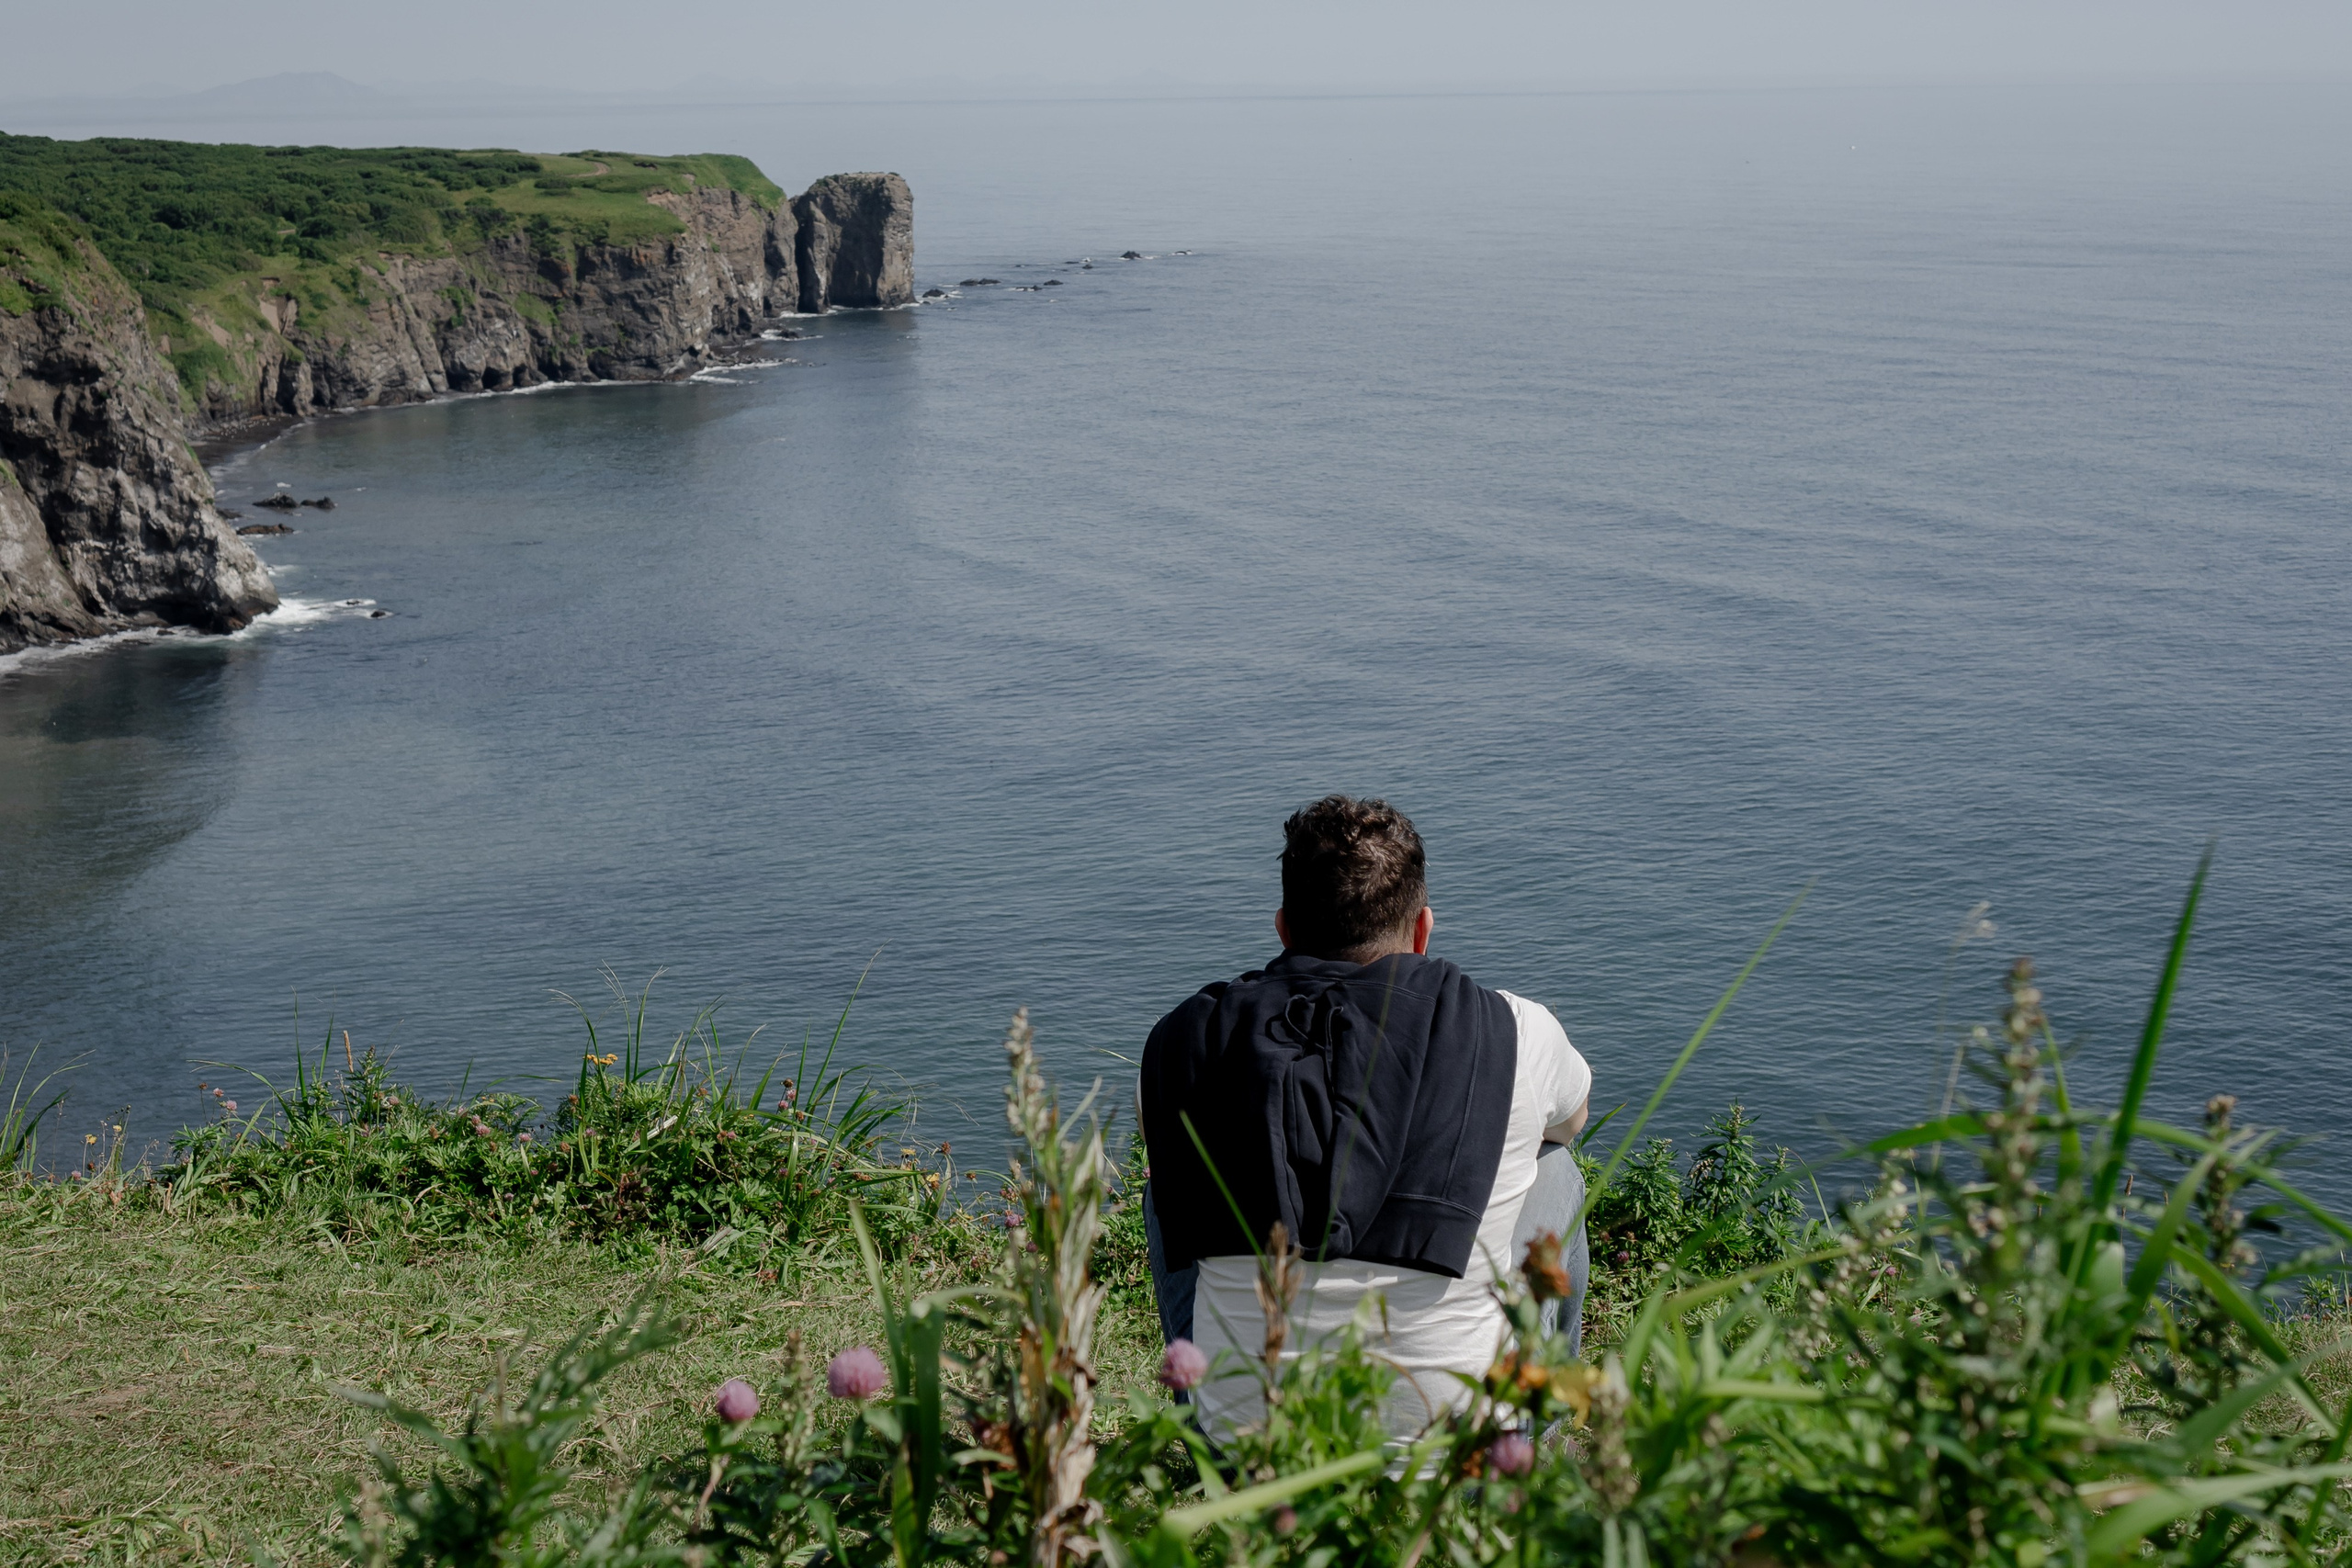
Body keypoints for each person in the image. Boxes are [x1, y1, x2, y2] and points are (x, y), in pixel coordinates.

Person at [1137, 795, 1591, 1438]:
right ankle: (1545, 1423)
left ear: (1283, 928)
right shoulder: (1513, 1029)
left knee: (1167, 1185)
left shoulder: (1182, 1038)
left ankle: (1209, 1393)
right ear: (1423, 929)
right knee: (1558, 1166)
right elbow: (1571, 1120)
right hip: (1462, 1458)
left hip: (1246, 1450)